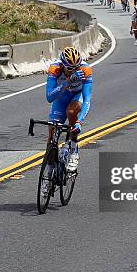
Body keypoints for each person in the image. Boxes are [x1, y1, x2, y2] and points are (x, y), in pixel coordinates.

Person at [45, 47, 93, 177]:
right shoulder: (55, 69)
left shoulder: (85, 69)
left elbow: (87, 98)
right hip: (61, 97)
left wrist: (80, 121)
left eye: (77, 67)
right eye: (70, 68)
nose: (75, 71)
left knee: (71, 112)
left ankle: (73, 150)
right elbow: (49, 97)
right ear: (62, 65)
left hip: (76, 96)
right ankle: (48, 172)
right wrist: (67, 82)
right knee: (51, 138)